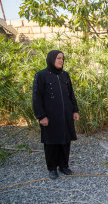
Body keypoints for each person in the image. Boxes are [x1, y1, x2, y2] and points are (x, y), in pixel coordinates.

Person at [32, 50, 79, 179]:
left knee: (65, 141)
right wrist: (41, 116)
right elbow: (36, 98)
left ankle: (63, 166)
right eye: (58, 58)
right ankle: (52, 168)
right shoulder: (41, 75)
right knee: (51, 142)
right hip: (50, 117)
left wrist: (75, 110)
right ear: (51, 59)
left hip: (65, 115)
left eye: (62, 59)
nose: (61, 61)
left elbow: (71, 94)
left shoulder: (65, 75)